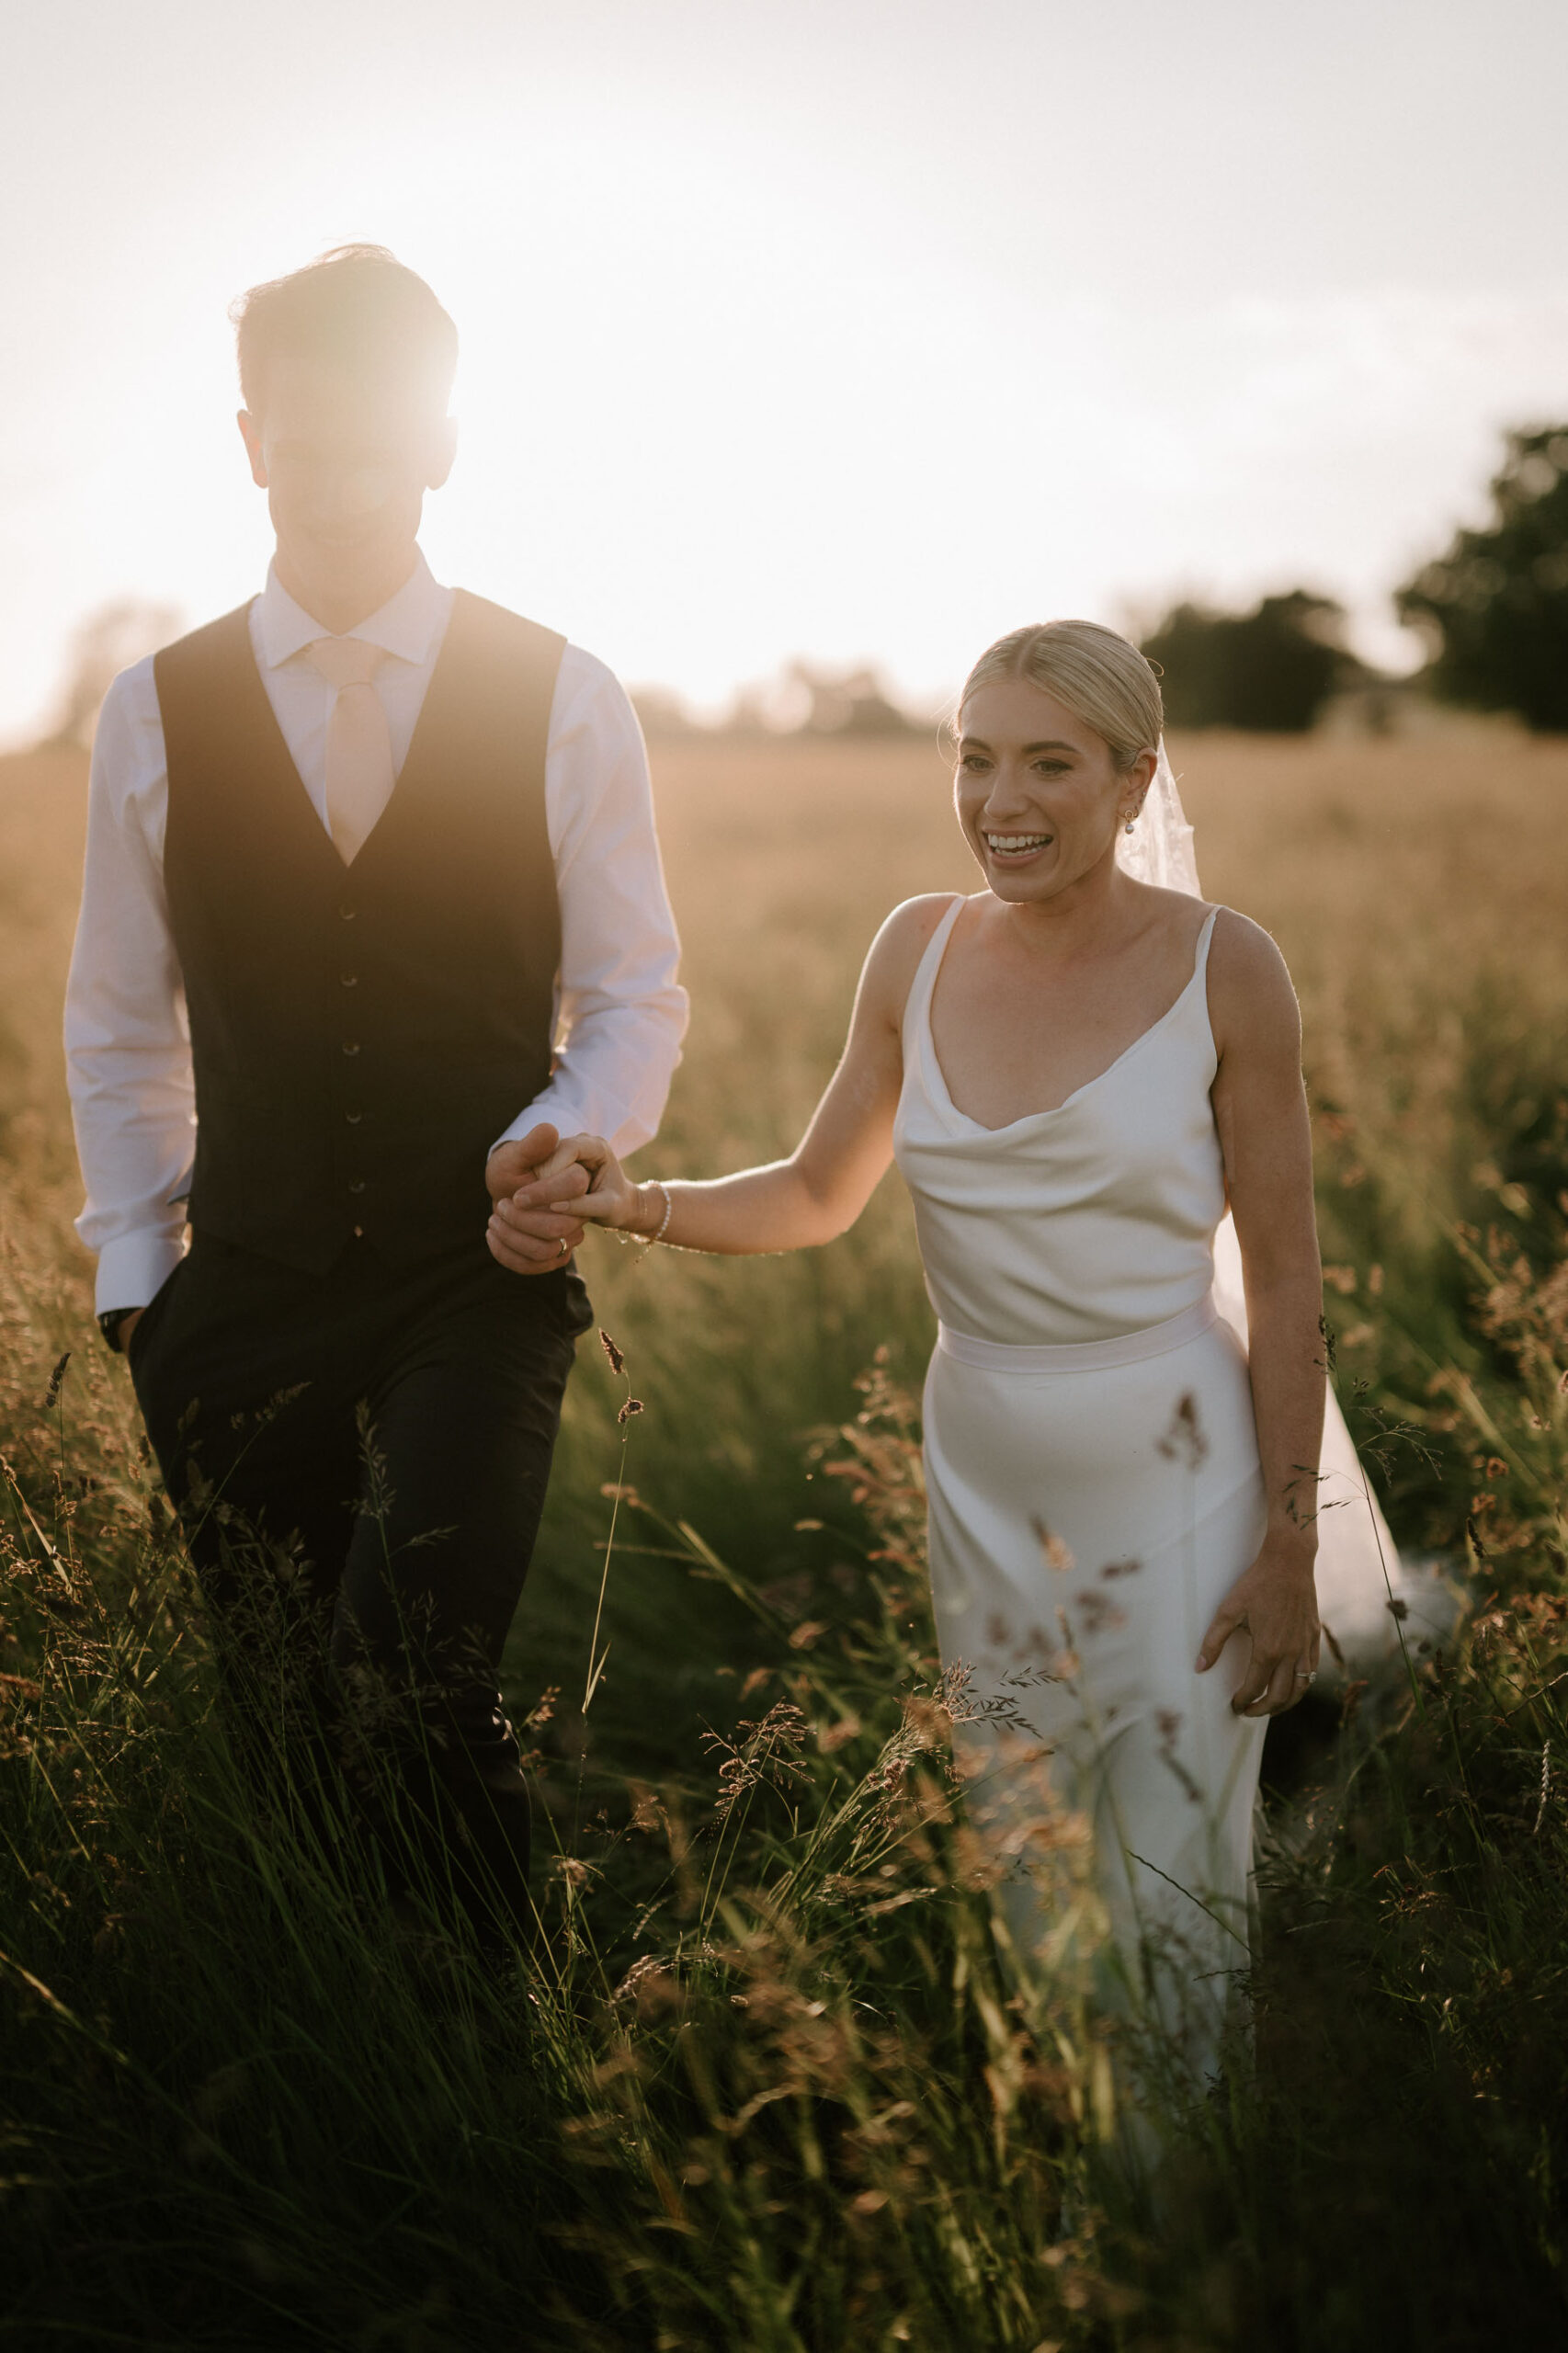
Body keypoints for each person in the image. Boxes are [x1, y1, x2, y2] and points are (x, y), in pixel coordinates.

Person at [493, 619, 1329, 2091]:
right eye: (975, 757)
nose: (1001, 801)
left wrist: (1286, 1546)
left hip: (1178, 1475)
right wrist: (635, 1202)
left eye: (1049, 765)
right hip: (982, 1481)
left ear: (1135, 782)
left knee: (1171, 1863)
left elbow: (1282, 1275)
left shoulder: (1227, 967)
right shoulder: (914, 946)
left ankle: (1180, 2215)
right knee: (1025, 1847)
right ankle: (1056, 2167)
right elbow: (818, 1192)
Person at [64, 245, 687, 1949]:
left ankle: (497, 2062)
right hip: (235, 1294)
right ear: (251, 441)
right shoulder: (154, 711)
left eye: (372, 438)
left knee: (411, 1677)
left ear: (441, 443)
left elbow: (633, 993)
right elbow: (121, 1022)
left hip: (470, 1282)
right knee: (279, 1725)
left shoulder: (564, 694)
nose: (337, 477)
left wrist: (575, 1133)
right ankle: (335, 2064)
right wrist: (143, 1294)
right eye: (303, 438)